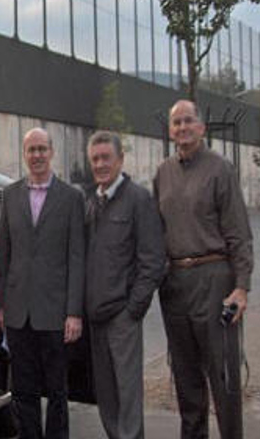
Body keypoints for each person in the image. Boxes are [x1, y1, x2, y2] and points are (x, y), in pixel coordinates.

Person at [154, 100, 253, 439]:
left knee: (223, 376)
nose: (182, 127)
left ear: (201, 128)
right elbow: (156, 231)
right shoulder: (162, 173)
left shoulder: (220, 169)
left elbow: (239, 232)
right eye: (176, 123)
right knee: (186, 379)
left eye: (188, 121)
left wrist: (241, 287)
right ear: (170, 131)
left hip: (215, 280)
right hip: (175, 284)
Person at [0, 127, 85, 439]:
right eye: (31, 150)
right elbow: (4, 254)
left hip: (55, 313)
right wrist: (2, 305)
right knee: (23, 390)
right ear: (24, 154)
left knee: (58, 391)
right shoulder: (10, 195)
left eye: (41, 149)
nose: (36, 155)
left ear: (51, 152)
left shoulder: (72, 197)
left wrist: (74, 312)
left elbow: (77, 258)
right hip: (19, 313)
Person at [85, 131, 166, 439]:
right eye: (95, 159)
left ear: (120, 159)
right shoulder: (92, 201)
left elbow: (153, 261)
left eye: (106, 157)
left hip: (122, 317)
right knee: (107, 396)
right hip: (97, 318)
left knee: (128, 395)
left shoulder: (139, 199)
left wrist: (133, 309)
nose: (101, 164)